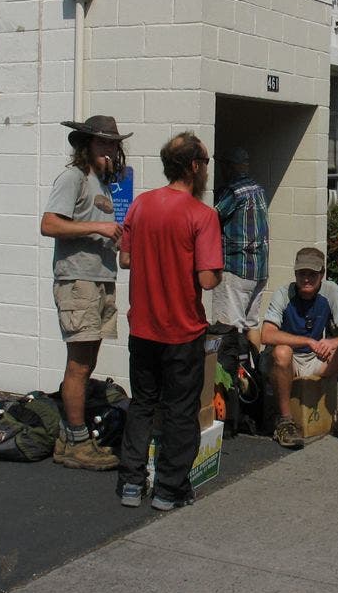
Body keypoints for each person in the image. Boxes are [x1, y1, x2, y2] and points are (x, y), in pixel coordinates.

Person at [115, 132, 223, 510]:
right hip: (182, 331)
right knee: (179, 411)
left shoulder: (141, 205)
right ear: (195, 167)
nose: (207, 170)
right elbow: (208, 279)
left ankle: (131, 483)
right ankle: (168, 489)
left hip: (142, 327)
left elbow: (125, 260)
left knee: (143, 404)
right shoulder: (202, 215)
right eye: (206, 163)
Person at [41, 115, 130, 471]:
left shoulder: (104, 184)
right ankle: (77, 440)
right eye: (102, 143)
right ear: (86, 145)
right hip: (77, 281)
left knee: (88, 359)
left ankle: (70, 438)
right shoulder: (73, 177)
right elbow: (49, 224)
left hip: (99, 280)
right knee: (79, 363)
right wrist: (99, 226)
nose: (109, 150)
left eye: (113, 144)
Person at [262, 247, 338, 449]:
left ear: (322, 274)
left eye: (312, 274)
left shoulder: (331, 291)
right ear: (295, 274)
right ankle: (285, 421)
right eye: (302, 273)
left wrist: (333, 342)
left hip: (315, 359)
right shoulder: (283, 293)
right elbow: (267, 334)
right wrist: (307, 342)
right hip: (289, 360)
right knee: (281, 351)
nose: (306, 279)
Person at [213, 146, 270, 348]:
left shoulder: (233, 191)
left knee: (229, 328)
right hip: (259, 271)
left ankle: (233, 379)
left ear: (229, 167)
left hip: (236, 269)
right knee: (252, 325)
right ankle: (252, 374)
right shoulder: (258, 190)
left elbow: (210, 217)